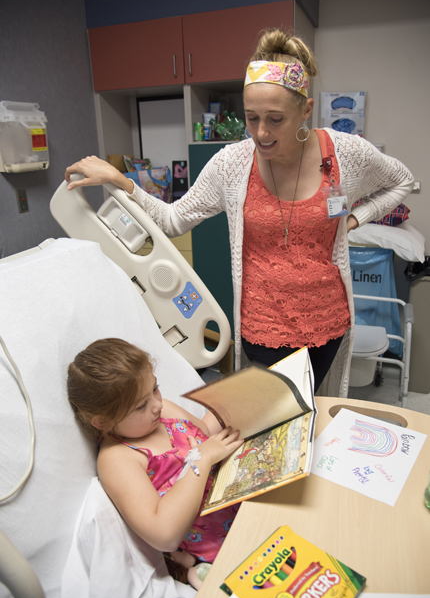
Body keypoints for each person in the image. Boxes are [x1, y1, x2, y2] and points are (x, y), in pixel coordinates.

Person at [65, 28, 414, 396]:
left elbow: (402, 181)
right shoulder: (232, 165)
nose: (260, 133)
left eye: (275, 119)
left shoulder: (345, 153)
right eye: (251, 118)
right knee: (274, 419)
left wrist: (354, 220)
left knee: (309, 412)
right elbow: (172, 219)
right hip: (261, 327)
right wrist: (122, 182)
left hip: (327, 323)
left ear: (305, 111)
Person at [67, 338, 243, 588]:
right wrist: (201, 461)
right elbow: (164, 535)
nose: (157, 404)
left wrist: (239, 398)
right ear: (103, 422)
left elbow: (205, 432)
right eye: (141, 405)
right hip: (222, 546)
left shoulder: (166, 413)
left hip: (246, 502)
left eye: (155, 388)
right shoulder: (118, 458)